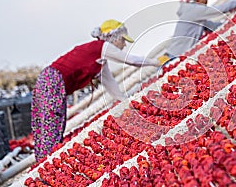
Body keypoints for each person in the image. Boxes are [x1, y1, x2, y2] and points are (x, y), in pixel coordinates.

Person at [31, 19, 162, 161]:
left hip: (47, 79)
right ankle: (47, 161)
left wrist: (124, 103)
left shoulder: (99, 58)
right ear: (114, 37)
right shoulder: (103, 46)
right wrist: (156, 62)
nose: (123, 45)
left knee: (45, 124)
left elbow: (109, 83)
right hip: (52, 81)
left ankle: (44, 160)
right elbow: (131, 60)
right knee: (51, 124)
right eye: (123, 40)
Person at [162, 0, 236, 61]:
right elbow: (220, 10)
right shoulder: (193, 10)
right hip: (174, 57)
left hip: (170, 56)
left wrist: (235, 21)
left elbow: (212, 26)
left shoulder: (193, 14)